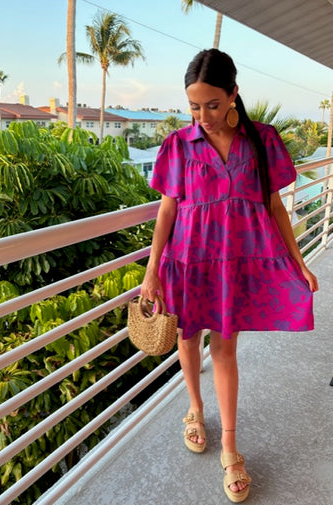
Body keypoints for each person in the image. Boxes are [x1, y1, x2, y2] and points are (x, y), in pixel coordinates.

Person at [140, 48, 318, 503]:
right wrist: (151, 272)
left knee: (224, 349)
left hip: (234, 264)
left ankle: (230, 445)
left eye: (213, 105)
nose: (204, 116)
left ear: (234, 93)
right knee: (187, 337)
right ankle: (195, 411)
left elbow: (275, 205)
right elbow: (167, 210)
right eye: (194, 106)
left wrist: (297, 261)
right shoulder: (178, 145)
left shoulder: (263, 140)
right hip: (186, 260)